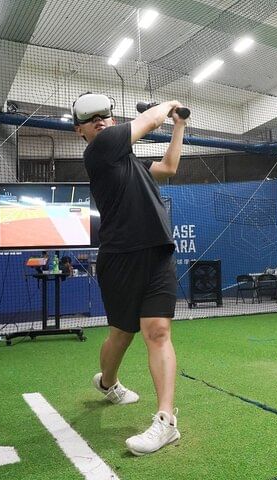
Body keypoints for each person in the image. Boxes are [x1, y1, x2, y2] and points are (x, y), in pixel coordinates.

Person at [72, 92, 187, 454]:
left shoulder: (131, 162)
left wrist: (179, 126)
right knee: (121, 335)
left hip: (157, 253)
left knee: (158, 331)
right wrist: (168, 106)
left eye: (104, 115)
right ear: (80, 131)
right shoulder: (100, 149)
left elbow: (168, 168)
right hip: (120, 258)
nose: (99, 121)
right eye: (90, 119)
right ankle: (108, 383)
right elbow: (150, 121)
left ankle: (166, 421)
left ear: (112, 118)